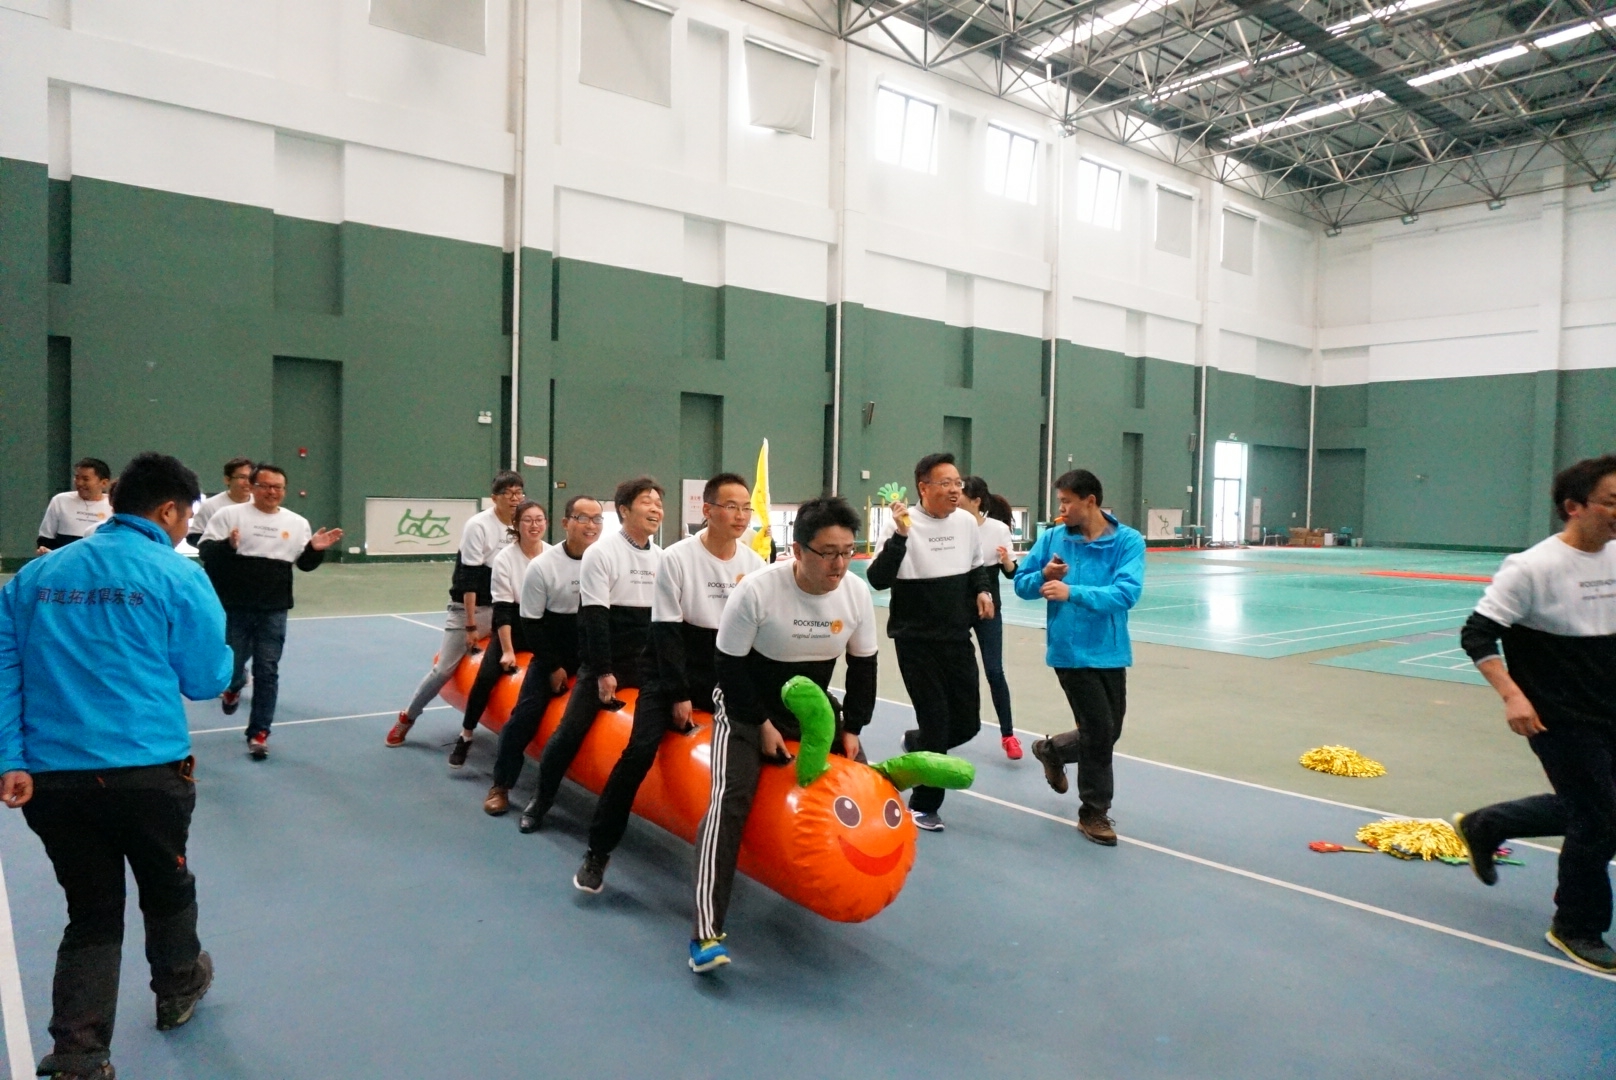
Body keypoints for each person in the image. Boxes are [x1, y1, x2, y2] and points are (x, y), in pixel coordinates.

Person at [0, 452, 233, 1080]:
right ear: (168, 511)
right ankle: (178, 987)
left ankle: (78, 1053)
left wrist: (10, 757)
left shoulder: (35, 576)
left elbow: (4, 666)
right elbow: (206, 678)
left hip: (54, 780)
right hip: (149, 774)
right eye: (186, 517)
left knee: (91, 910)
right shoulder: (179, 574)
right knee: (167, 884)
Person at [690, 496, 877, 973]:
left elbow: (864, 667)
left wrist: (853, 726)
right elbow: (728, 667)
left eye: (847, 551)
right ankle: (706, 931)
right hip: (746, 704)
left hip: (812, 706)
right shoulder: (756, 591)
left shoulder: (856, 594)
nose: (839, 564)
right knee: (730, 801)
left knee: (865, 783)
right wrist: (760, 724)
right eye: (827, 552)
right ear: (798, 550)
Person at [1453, 454, 1616, 973]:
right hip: (1558, 716)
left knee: (1594, 806)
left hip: (1609, 705)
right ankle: (1576, 926)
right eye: (1612, 502)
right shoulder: (1531, 568)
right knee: (1599, 818)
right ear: (1574, 507)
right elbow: (1477, 635)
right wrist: (1511, 695)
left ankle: (1485, 825)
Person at [575, 473, 767, 893]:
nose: (740, 516)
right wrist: (679, 694)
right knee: (639, 752)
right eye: (731, 507)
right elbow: (666, 633)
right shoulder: (677, 558)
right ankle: (597, 851)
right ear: (708, 510)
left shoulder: (755, 566)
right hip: (668, 670)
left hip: (725, 669)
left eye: (745, 508)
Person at [519, 477, 663, 832]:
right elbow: (594, 619)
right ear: (624, 510)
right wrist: (603, 671)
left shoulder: (663, 558)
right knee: (569, 732)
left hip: (647, 665)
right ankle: (540, 801)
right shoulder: (602, 553)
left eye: (659, 503)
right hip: (609, 662)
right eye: (647, 501)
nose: (656, 508)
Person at [1016, 469, 1145, 847]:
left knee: (1108, 731)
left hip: (1111, 650)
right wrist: (1044, 574)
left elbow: (1126, 593)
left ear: (1090, 501)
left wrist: (1072, 591)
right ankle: (1093, 811)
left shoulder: (1128, 541)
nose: (1061, 509)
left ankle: (1051, 750)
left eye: (1066, 502)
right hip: (1070, 651)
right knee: (1100, 732)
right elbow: (1022, 585)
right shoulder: (1053, 538)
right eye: (1060, 502)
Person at [865, 453, 993, 832]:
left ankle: (917, 743)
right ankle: (923, 805)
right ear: (924, 487)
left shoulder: (966, 523)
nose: (955, 490)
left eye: (958, 483)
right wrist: (901, 537)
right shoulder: (901, 525)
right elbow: (878, 579)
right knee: (937, 725)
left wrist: (983, 590)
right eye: (946, 483)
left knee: (966, 724)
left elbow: (976, 567)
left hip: (957, 639)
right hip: (915, 642)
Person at [198, 463, 342, 759]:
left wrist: (315, 549)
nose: (272, 492)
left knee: (267, 670)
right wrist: (228, 545)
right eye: (265, 486)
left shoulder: (297, 522)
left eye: (278, 487)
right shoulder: (228, 516)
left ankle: (259, 732)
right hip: (235, 608)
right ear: (252, 488)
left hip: (274, 610)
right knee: (233, 666)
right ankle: (234, 686)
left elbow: (305, 564)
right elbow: (207, 553)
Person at [387, 471, 525, 747]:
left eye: (519, 492)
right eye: (508, 493)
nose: (514, 498)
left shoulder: (521, 525)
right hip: (471, 609)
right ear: (494, 498)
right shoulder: (479, 525)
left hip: (506, 609)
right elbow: (468, 579)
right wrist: (471, 625)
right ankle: (407, 717)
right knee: (443, 669)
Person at [486, 496, 603, 817]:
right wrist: (553, 666)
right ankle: (501, 785)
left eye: (597, 519)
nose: (591, 526)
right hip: (554, 652)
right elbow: (532, 623)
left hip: (593, 656)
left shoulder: (606, 562)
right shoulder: (543, 566)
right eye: (582, 518)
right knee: (524, 716)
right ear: (566, 523)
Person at [449, 501, 547, 770]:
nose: (535, 525)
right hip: (512, 625)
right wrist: (507, 649)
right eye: (528, 520)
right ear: (517, 525)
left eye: (539, 519)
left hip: (542, 625)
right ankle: (466, 734)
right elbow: (502, 609)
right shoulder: (505, 558)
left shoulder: (552, 555)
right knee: (486, 677)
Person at [961, 476, 1020, 760]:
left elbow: (1012, 572)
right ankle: (950, 728)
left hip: (989, 609)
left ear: (976, 500)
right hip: (957, 608)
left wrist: (1007, 561)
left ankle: (1008, 735)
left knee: (994, 671)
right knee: (959, 673)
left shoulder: (998, 530)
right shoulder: (951, 528)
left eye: (961, 493)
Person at [36, 457, 114, 554]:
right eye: (77, 478)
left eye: (85, 479)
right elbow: (45, 538)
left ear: (104, 483)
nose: (79, 483)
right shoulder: (60, 500)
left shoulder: (113, 505)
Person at [186, 457, 254, 547]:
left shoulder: (261, 504)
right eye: (242, 477)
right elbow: (193, 537)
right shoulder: (210, 505)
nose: (247, 482)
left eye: (251, 478)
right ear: (227, 480)